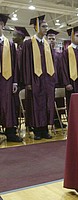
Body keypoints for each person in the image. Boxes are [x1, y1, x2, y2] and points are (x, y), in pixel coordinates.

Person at [21, 15, 55, 140]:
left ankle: (45, 129)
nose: (46, 28)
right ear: (36, 27)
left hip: (46, 80)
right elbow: (25, 63)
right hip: (34, 80)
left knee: (46, 103)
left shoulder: (47, 44)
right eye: (43, 26)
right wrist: (28, 81)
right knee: (36, 104)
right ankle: (37, 130)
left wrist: (52, 79)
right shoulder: (28, 43)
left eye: (47, 26)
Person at [0, 14, 22, 142]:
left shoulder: (9, 44)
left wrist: (15, 81)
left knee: (8, 105)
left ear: (2, 25)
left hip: (6, 79)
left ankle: (10, 132)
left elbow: (14, 65)